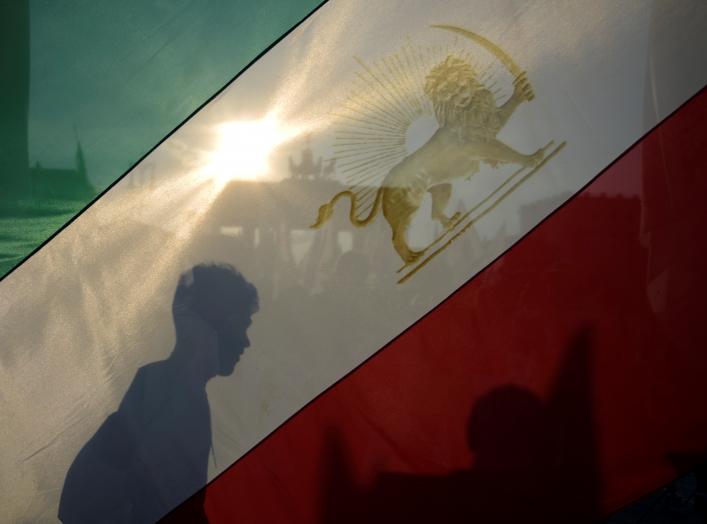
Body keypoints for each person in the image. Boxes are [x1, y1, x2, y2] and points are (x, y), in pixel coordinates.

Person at [59, 264, 258, 523]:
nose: (245, 341)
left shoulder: (167, 388)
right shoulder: (175, 397)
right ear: (212, 324)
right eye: (240, 325)